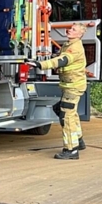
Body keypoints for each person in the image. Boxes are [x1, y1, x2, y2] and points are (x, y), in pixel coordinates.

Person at [28, 22, 87, 160]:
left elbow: (63, 60)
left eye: (73, 29)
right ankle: (78, 140)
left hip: (73, 87)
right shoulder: (69, 45)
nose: (69, 30)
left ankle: (71, 150)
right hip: (71, 85)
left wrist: (40, 64)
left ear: (80, 34)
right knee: (68, 112)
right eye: (70, 28)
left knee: (66, 116)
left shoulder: (75, 48)